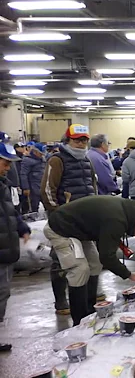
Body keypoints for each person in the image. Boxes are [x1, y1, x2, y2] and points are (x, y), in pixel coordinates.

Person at [44, 196, 135, 325]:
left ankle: (90, 310)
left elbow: (104, 250)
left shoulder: (128, 212)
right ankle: (80, 321)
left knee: (95, 263)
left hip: (77, 230)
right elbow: (107, 257)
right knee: (79, 269)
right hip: (60, 228)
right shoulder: (117, 220)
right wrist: (129, 275)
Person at [41, 124, 98, 315]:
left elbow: (93, 186)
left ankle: (89, 303)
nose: (81, 144)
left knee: (90, 262)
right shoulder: (56, 160)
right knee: (61, 261)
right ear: (68, 140)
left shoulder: (87, 161)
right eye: (77, 140)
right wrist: (57, 214)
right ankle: (61, 302)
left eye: (84, 140)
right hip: (64, 222)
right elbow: (47, 190)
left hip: (85, 220)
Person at [0, 142, 31, 352]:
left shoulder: (2, 185)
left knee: (2, 294)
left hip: (5, 250)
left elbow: (10, 211)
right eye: (4, 163)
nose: (8, 168)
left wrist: (22, 227)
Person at [20, 142, 46, 213]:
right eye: (40, 153)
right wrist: (26, 188)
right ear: (35, 151)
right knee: (34, 208)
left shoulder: (43, 160)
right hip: (33, 189)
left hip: (43, 187)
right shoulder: (27, 160)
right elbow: (23, 174)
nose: (41, 155)